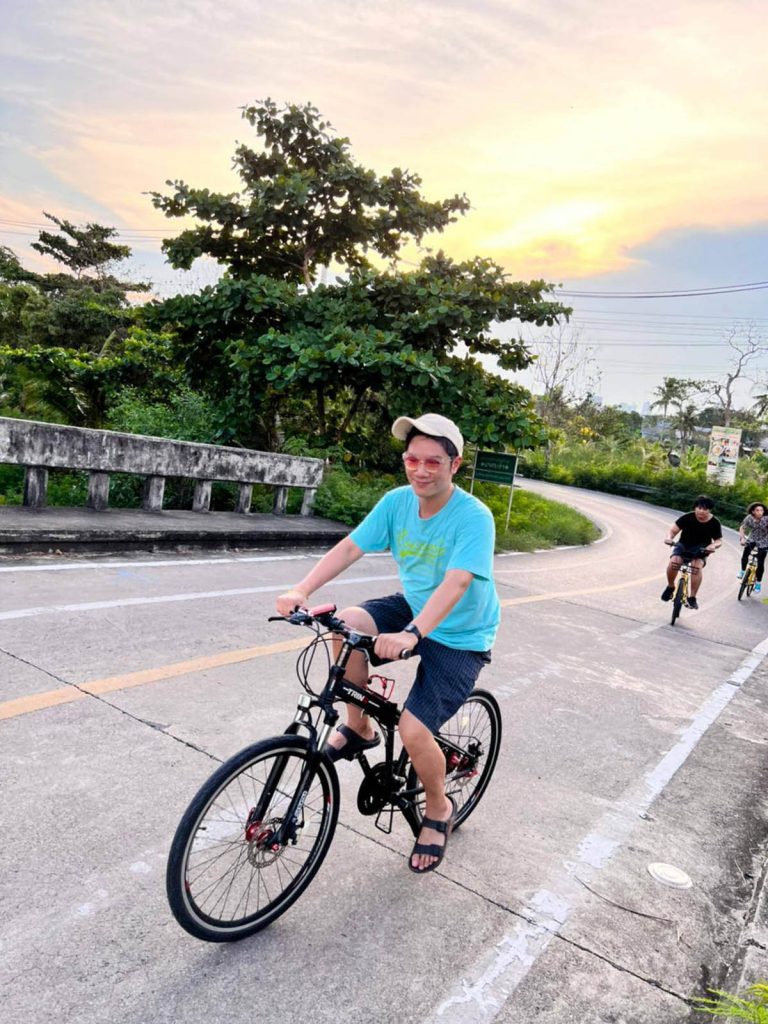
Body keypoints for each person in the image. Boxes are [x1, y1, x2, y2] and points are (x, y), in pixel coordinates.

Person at [275, 413, 500, 874]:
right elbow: (350, 548)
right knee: (344, 624)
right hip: (414, 605)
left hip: (461, 634)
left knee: (415, 731)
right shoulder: (397, 503)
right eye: (413, 460)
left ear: (455, 465)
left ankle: (437, 808)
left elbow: (458, 582)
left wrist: (413, 634)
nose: (421, 470)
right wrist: (302, 589)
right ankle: (359, 727)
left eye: (433, 462)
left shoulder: (474, 517)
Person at [661, 495, 722, 609]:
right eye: (699, 508)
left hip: (701, 548)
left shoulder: (714, 522)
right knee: (674, 561)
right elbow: (673, 531)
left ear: (709, 510)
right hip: (684, 544)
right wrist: (669, 538)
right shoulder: (687, 517)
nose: (701, 511)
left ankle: (692, 597)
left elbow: (718, 540)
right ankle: (670, 587)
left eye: (705, 509)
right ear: (695, 508)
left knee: (696, 566)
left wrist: (713, 546)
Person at [738, 501, 768, 593]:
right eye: (757, 510)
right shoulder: (749, 518)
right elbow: (742, 527)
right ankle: (742, 571)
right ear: (753, 512)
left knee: (760, 562)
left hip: (765, 540)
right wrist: (742, 538)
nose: (760, 512)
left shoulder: (766, 518)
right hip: (752, 538)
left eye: (761, 510)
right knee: (745, 554)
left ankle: (758, 583)